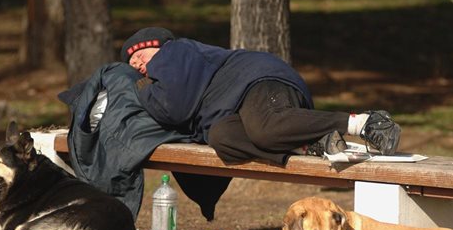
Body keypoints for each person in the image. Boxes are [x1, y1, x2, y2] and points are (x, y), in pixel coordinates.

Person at [121, 27, 401, 166]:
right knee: (221, 138)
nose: (140, 68)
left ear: (155, 46)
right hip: (235, 106)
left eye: (140, 58)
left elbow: (175, 108)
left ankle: (364, 122)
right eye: (134, 67)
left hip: (256, 81)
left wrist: (141, 89)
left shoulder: (174, 52)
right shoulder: (175, 69)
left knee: (266, 127)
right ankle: (311, 144)